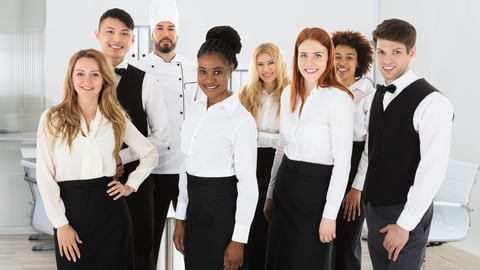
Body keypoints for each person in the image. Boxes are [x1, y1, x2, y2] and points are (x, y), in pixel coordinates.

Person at [35, 49, 159, 269]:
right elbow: (45, 175)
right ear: (71, 78)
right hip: (70, 211)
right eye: (80, 73)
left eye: (95, 74)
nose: (87, 80)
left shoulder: (115, 117)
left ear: (104, 80)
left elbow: (150, 153)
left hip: (111, 213)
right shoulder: (52, 118)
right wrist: (60, 224)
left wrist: (130, 185)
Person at [351, 18, 454, 269]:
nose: (387, 60)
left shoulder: (433, 103)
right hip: (375, 207)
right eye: (381, 52)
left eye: (396, 52)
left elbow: (433, 168)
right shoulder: (376, 95)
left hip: (406, 210)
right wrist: (358, 189)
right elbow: (370, 151)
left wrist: (405, 223)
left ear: (412, 52)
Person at [264, 27, 354, 270]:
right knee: (279, 259)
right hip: (286, 188)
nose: (309, 62)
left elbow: (343, 163)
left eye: (317, 55)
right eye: (303, 55)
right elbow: (282, 147)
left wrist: (330, 215)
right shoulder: (287, 94)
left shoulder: (339, 99)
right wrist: (271, 193)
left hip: (316, 194)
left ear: (328, 57)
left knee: (308, 261)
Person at [173, 25, 259, 270]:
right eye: (202, 71)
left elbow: (248, 184)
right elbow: (185, 166)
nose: (209, 80)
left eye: (217, 72)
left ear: (231, 69)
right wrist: (181, 218)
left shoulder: (242, 121)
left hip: (223, 215)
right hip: (195, 211)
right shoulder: (195, 110)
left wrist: (238, 239)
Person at [95, 8, 170, 270]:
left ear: (132, 40)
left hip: (136, 183)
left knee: (139, 248)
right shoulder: (82, 78)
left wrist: (123, 157)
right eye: (110, 32)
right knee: (99, 249)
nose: (117, 39)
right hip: (92, 182)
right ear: (97, 35)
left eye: (124, 33)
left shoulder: (146, 81)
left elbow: (162, 136)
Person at [135, 0, 197, 267]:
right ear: (152, 34)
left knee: (194, 239)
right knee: (147, 239)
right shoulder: (137, 70)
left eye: (170, 28)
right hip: (152, 169)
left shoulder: (194, 69)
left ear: (177, 34)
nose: (165, 33)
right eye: (160, 28)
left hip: (186, 167)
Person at [238, 42, 290, 270]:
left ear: (279, 64)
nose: (266, 69)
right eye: (260, 64)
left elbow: (287, 140)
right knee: (252, 221)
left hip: (280, 164)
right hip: (252, 163)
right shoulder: (245, 94)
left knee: (274, 224)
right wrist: (270, 137)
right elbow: (242, 135)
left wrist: (260, 136)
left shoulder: (291, 93)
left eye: (270, 63)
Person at [331, 30, 374, 270]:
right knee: (326, 237)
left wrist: (357, 188)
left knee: (347, 241)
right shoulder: (326, 91)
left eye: (349, 57)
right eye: (337, 56)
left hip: (355, 172)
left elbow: (370, 148)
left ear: (359, 62)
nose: (342, 63)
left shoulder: (369, 95)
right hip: (327, 168)